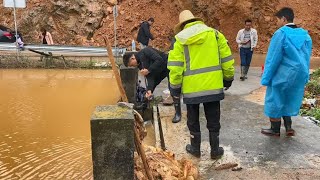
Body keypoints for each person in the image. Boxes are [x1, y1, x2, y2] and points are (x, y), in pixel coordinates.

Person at [168, 10, 235, 159]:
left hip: (191, 90)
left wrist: (175, 88)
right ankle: (215, 150)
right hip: (213, 87)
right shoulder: (215, 35)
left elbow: (175, 68)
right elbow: (226, 59)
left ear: (182, 25)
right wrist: (228, 78)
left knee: (192, 120)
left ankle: (195, 148)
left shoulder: (179, 40)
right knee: (213, 119)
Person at [261, 7, 312, 137]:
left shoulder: (281, 33)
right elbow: (307, 56)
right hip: (299, 74)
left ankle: (275, 129)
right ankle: (289, 128)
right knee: (290, 98)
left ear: (283, 19)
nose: (277, 23)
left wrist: (266, 77)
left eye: (277, 20)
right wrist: (305, 75)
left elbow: (273, 58)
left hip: (283, 73)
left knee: (275, 99)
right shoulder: (305, 35)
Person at [123, 47, 182, 123]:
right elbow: (150, 77)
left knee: (173, 88)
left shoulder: (146, 51)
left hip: (167, 64)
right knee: (151, 87)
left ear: (132, 58)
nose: (132, 67)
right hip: (158, 71)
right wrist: (149, 90)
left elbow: (159, 59)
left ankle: (178, 113)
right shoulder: (140, 66)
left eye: (131, 65)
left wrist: (149, 70)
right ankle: (144, 104)